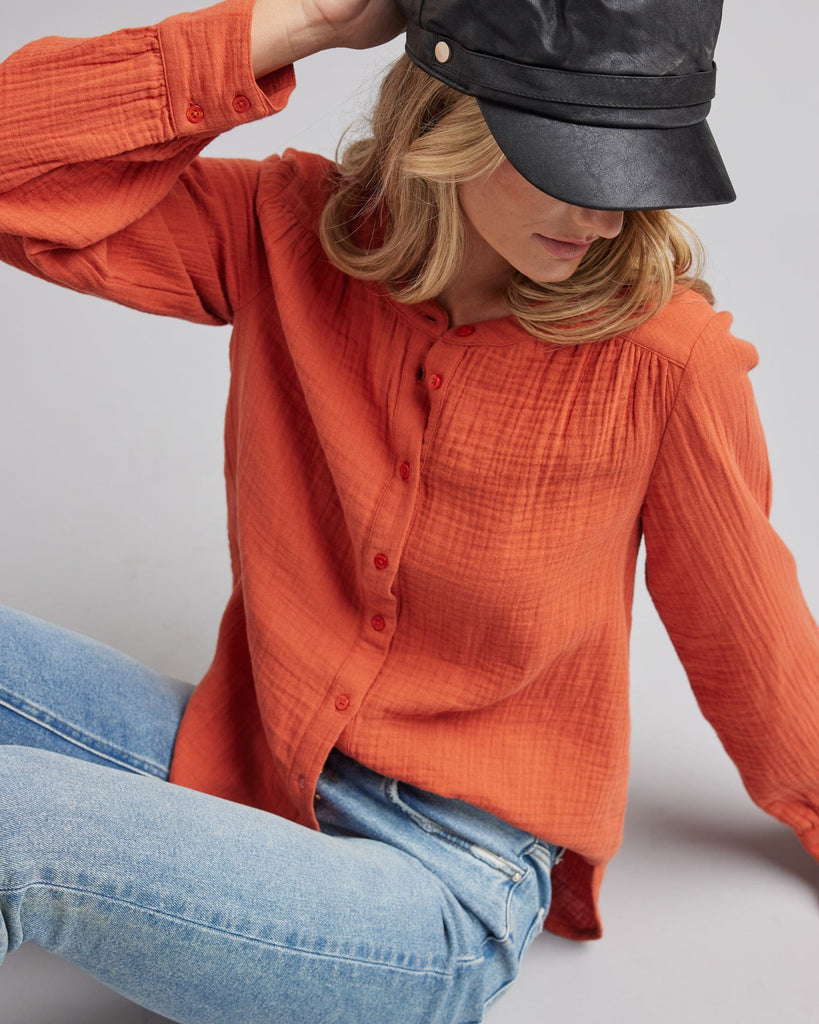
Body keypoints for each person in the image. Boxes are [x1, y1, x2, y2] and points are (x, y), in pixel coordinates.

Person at [1, 0, 818, 1022]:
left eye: (635, 171)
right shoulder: (285, 233)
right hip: (249, 767)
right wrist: (294, 24)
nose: (605, 216)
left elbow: (757, 648)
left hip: (441, 889)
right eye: (570, 161)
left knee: (11, 827)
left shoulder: (667, 366)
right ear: (447, 119)